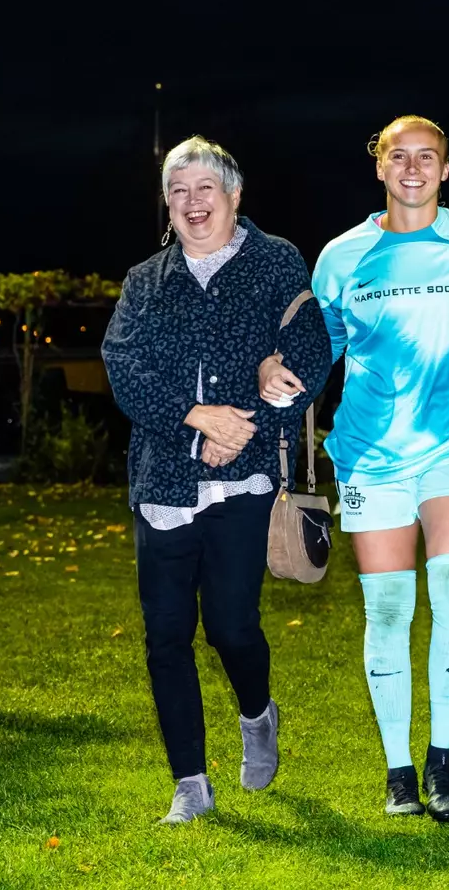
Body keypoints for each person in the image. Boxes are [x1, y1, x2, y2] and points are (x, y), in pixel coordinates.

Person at [103, 136, 330, 826]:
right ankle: (190, 783)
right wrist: (195, 417)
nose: (193, 203)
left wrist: (261, 401)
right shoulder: (146, 279)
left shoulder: (275, 261)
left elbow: (311, 350)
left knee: (232, 627)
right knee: (166, 634)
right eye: (179, 191)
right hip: (163, 480)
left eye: (206, 189)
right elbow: (124, 367)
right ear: (165, 204)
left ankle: (258, 714)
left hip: (247, 476)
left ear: (234, 196)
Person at [311, 114, 449, 823]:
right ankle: (398, 770)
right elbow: (323, 347)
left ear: (445, 168)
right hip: (371, 452)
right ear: (378, 166)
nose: (411, 167)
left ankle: (443, 762)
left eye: (425, 156)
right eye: (397, 156)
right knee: (389, 608)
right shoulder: (343, 257)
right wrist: (283, 376)